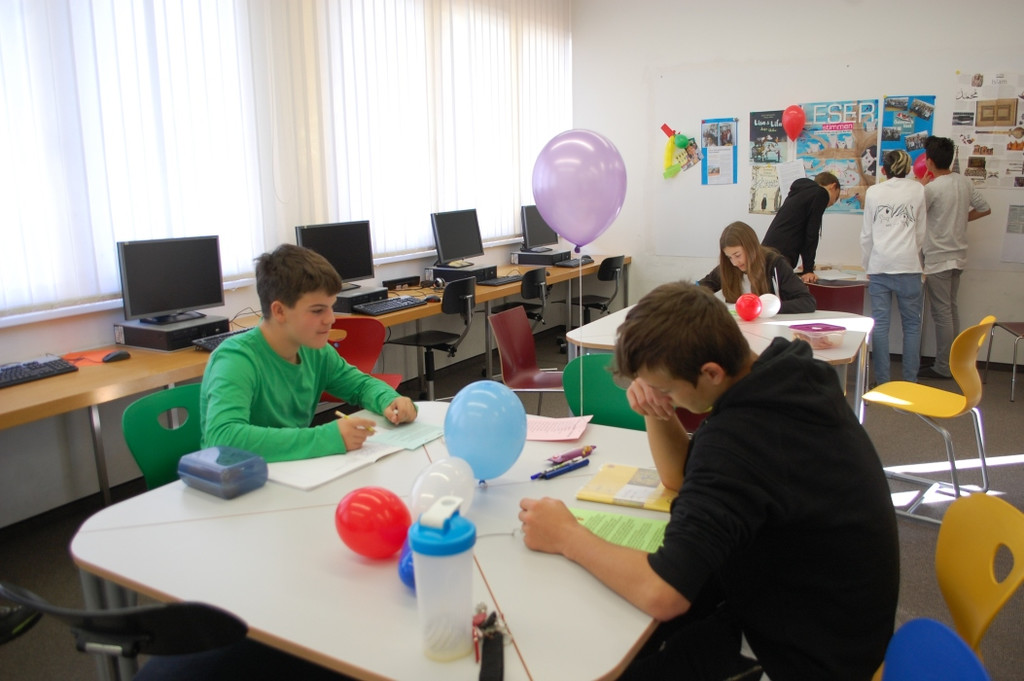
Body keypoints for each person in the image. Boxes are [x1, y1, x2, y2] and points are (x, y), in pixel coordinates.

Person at [518, 282, 900, 681]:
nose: (661, 395)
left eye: (666, 389)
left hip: (807, 659)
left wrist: (567, 535)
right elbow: (681, 478)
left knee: (613, 656)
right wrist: (659, 406)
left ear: (711, 373)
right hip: (818, 617)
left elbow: (664, 593)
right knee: (636, 638)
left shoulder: (741, 440)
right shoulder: (784, 374)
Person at [200, 244, 417, 462]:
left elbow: (360, 386)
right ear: (279, 311)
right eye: (317, 310)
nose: (330, 319)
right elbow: (223, 438)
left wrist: (390, 400)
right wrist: (326, 438)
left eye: (331, 307)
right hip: (242, 476)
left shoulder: (314, 350)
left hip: (293, 469)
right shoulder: (236, 359)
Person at [918, 136, 991, 379]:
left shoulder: (932, 188)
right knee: (951, 310)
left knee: (942, 314)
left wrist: (920, 187)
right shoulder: (964, 182)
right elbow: (985, 208)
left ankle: (943, 366)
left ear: (929, 161)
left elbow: (917, 216)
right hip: (958, 256)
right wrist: (961, 219)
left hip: (939, 258)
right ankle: (952, 362)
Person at [861, 149, 927, 384]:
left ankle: (883, 381)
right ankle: (910, 381)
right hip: (909, 266)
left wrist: (867, 265)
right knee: (912, 326)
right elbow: (921, 232)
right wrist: (912, 254)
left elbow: (867, 235)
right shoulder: (918, 190)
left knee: (880, 325)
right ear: (908, 169)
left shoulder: (873, 192)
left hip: (880, 265)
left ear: (883, 170)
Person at [698, 221, 816, 314]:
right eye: (729, 257)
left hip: (770, 328)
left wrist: (769, 307)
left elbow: (808, 302)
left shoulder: (775, 264)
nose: (734, 263)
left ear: (750, 247)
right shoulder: (728, 267)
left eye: (737, 255)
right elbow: (700, 288)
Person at [761, 171, 841, 283]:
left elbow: (802, 229)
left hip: (767, 252)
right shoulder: (821, 193)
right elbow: (811, 233)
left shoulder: (801, 193)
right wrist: (808, 270)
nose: (830, 204)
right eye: (835, 198)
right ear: (833, 186)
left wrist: (807, 265)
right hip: (780, 256)